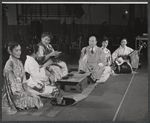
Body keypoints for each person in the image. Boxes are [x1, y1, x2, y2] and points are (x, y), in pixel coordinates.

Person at [2, 42, 43, 115]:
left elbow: (23, 80)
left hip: (21, 89)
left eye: (20, 50)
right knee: (33, 101)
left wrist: (28, 91)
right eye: (16, 50)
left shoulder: (20, 62)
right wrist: (24, 93)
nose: (19, 52)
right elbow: (12, 85)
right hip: (13, 92)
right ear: (10, 51)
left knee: (36, 98)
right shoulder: (9, 64)